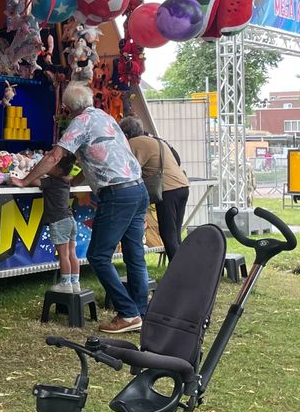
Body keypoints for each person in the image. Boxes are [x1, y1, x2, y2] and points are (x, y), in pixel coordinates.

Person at [13, 83, 147, 334]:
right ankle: (141, 312)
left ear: (67, 108)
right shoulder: (105, 117)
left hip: (116, 193)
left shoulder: (80, 122)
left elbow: (54, 157)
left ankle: (128, 313)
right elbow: (98, 155)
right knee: (134, 255)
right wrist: (74, 181)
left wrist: (25, 180)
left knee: (98, 256)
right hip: (138, 188)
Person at [120, 116, 191, 261]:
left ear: (126, 134)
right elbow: (177, 159)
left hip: (167, 190)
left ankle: (178, 271)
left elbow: (129, 169)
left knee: (167, 234)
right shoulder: (156, 140)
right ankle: (184, 267)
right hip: (182, 186)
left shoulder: (134, 143)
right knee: (175, 234)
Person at [36, 156, 82, 293]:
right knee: (72, 253)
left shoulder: (51, 182)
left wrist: (38, 170)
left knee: (63, 255)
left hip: (59, 220)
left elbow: (33, 180)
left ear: (58, 169)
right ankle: (75, 283)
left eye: (52, 164)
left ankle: (66, 284)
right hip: (70, 219)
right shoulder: (66, 181)